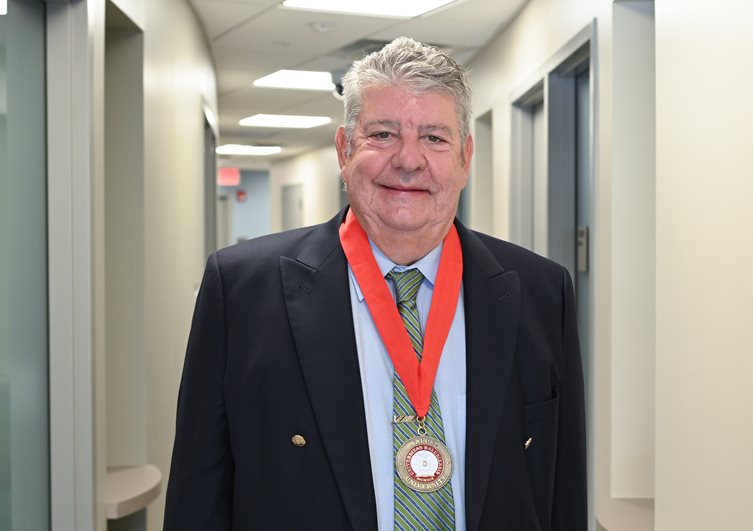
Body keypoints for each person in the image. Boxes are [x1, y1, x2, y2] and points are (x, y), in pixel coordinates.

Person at [164, 37, 586, 531]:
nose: (408, 160)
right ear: (344, 150)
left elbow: (563, 494)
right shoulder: (239, 293)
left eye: (434, 138)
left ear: (465, 158)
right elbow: (198, 498)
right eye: (383, 134)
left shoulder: (541, 292)